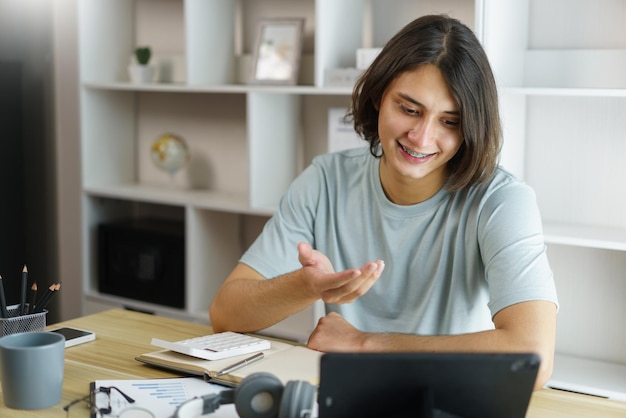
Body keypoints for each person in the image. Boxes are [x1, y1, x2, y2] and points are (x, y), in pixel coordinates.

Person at [210, 14, 558, 389]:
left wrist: (366, 344)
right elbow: (226, 314)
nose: (422, 137)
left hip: (449, 397)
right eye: (409, 109)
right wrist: (308, 286)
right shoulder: (326, 181)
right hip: (348, 397)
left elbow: (533, 357)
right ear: (378, 97)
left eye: (449, 122)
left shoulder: (502, 200)